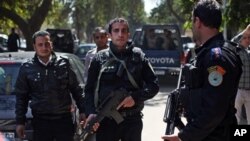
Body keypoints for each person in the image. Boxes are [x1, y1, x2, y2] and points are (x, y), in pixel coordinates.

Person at [162, 0, 242, 141]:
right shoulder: (208, 53)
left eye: (193, 22)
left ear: (198, 22)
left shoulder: (216, 57)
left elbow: (214, 110)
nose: (193, 26)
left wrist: (184, 136)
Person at [84, 17, 159, 141]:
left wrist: (135, 98)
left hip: (132, 120)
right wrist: (91, 112)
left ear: (128, 34)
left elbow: (154, 86)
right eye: (116, 30)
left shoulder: (138, 56)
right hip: (106, 121)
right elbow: (88, 90)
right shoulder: (98, 59)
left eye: (124, 31)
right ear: (109, 35)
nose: (120, 34)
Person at [15, 30, 86, 141]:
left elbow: (76, 89)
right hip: (41, 122)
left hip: (63, 121)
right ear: (34, 46)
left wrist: (83, 111)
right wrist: (20, 122)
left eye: (47, 43)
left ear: (51, 45)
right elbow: (21, 97)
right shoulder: (27, 68)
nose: (44, 47)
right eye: (40, 44)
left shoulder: (64, 64)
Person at [231, 24, 250, 125]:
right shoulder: (236, 51)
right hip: (237, 90)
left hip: (249, 91)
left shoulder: (249, 52)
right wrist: (245, 32)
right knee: (235, 118)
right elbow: (233, 41)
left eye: (249, 38)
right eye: (245, 38)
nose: (247, 40)